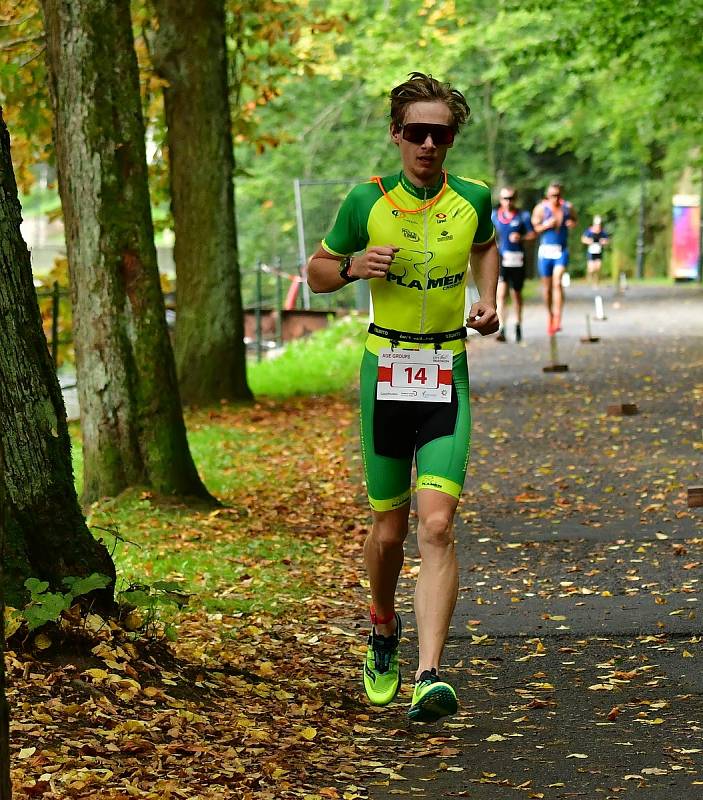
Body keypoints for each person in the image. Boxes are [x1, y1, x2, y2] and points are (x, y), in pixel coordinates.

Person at [307, 72, 499, 723]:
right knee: (389, 532)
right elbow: (316, 272)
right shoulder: (366, 201)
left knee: (437, 524)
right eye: (414, 132)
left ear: (450, 138)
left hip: (447, 367)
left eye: (437, 133)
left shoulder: (473, 195)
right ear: (395, 135)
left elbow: (485, 248)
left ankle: (429, 674)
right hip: (384, 371)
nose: (426, 143)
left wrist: (488, 302)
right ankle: (382, 626)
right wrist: (353, 266)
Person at [531, 182, 578, 335]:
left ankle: (558, 317)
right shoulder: (540, 209)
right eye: (553, 196)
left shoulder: (568, 207)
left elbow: (574, 220)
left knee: (558, 282)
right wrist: (546, 225)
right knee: (547, 289)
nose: (556, 199)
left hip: (561, 251)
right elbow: (535, 228)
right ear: (548, 195)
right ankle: (550, 316)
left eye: (558, 195)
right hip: (545, 252)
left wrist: (572, 223)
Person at [491, 187, 535, 342]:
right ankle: (502, 327)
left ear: (515, 199)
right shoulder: (495, 216)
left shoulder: (523, 216)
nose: (507, 202)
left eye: (510, 198)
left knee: (516, 294)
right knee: (501, 294)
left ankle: (518, 324)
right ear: (500, 200)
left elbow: (532, 234)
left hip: (517, 259)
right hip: (502, 259)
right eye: (504, 198)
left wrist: (521, 237)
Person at [581, 215, 609, 288]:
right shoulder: (589, 231)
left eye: (599, 225)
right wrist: (589, 241)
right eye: (596, 225)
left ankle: (596, 283)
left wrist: (603, 242)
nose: (598, 226)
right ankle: (589, 278)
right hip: (591, 252)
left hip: (599, 252)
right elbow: (583, 239)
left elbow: (607, 240)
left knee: (598, 268)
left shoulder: (603, 232)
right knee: (591, 269)